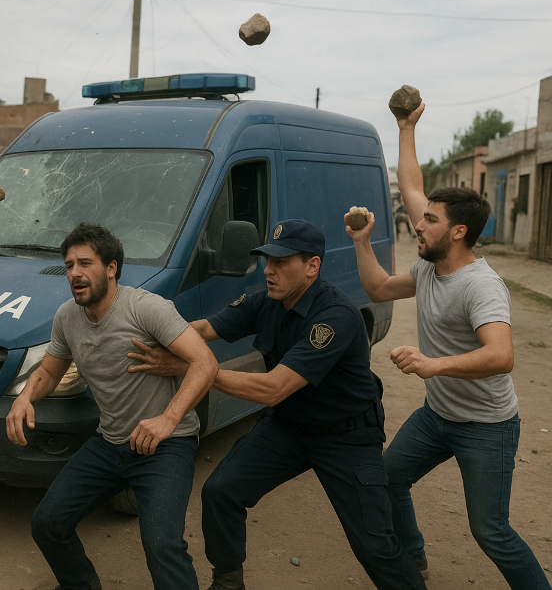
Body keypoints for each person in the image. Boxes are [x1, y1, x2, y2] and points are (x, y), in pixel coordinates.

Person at [129, 219, 427, 590]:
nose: (269, 271)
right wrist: (153, 334)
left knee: (374, 545)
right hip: (288, 426)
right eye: (267, 261)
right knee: (221, 491)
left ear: (312, 267)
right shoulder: (266, 301)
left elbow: (273, 388)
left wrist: (198, 369)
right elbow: (204, 329)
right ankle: (227, 583)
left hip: (346, 435)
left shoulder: (334, 316)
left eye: (282, 262)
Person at [346, 101, 551, 589]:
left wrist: (433, 365)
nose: (417, 222)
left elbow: (502, 356)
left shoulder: (481, 286)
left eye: (428, 221)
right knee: (389, 478)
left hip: (486, 426)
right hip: (438, 418)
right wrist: (405, 130)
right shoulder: (428, 265)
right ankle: (413, 556)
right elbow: (377, 285)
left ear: (457, 232)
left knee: (490, 531)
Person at [5, 222, 218, 590]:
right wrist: (24, 397)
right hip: (110, 443)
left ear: (111, 268)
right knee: (48, 524)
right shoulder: (67, 317)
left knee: (162, 546)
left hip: (167, 446)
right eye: (69, 265)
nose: (75, 273)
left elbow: (206, 363)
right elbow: (50, 371)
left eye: (85, 263)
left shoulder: (146, 308)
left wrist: (168, 420)